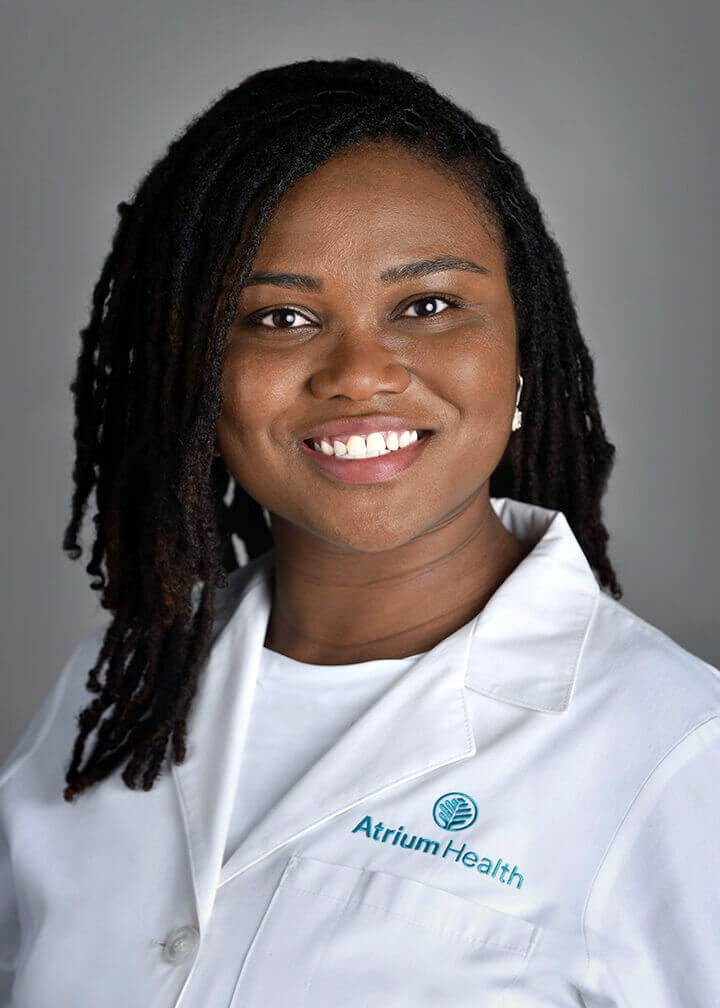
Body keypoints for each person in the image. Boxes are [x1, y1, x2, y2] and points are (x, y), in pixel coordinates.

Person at [0, 56, 718, 1008]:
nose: (361, 373)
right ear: (198, 378)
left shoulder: (680, 761)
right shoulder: (110, 705)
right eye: (280, 316)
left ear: (521, 357)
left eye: (426, 306)